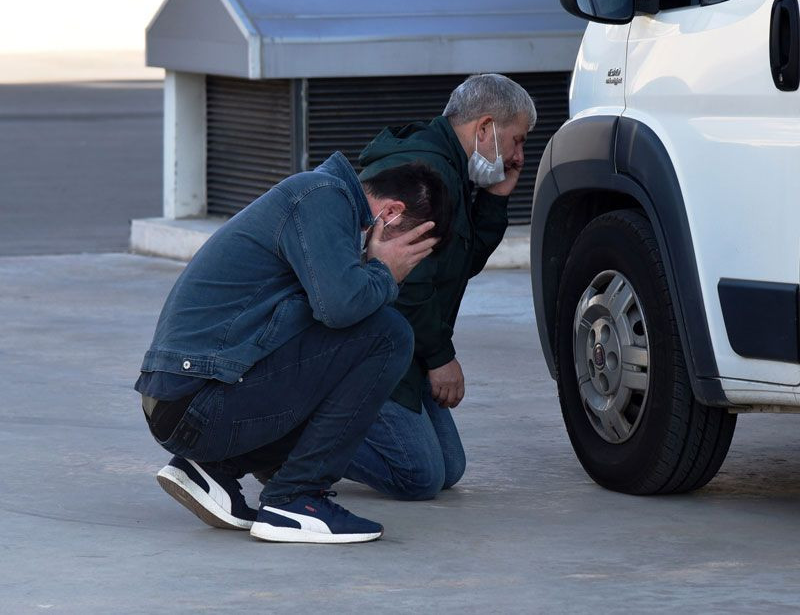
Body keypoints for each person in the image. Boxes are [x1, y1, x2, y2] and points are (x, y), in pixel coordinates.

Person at [135, 152, 450, 543]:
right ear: (391, 214)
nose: (407, 267)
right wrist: (384, 271)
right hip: (194, 403)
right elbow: (340, 308)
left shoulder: (326, 205)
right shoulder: (322, 197)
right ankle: (296, 498)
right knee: (389, 334)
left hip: (187, 402)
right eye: (411, 252)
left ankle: (214, 469)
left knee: (355, 346)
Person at [342, 74, 537, 500]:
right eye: (517, 140)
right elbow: (404, 284)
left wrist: (496, 198)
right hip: (367, 350)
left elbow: (458, 264)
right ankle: (284, 441)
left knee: (449, 468)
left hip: (404, 345)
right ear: (485, 128)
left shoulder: (449, 168)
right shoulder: (423, 175)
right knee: (419, 476)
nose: (520, 156)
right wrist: (441, 358)